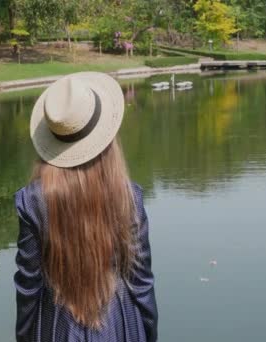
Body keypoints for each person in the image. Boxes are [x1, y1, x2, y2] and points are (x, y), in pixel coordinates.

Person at [14, 72, 158, 342]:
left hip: (58, 329)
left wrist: (23, 338)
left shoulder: (31, 201)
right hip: (120, 327)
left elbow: (28, 289)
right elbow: (142, 286)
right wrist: (149, 334)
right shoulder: (129, 197)